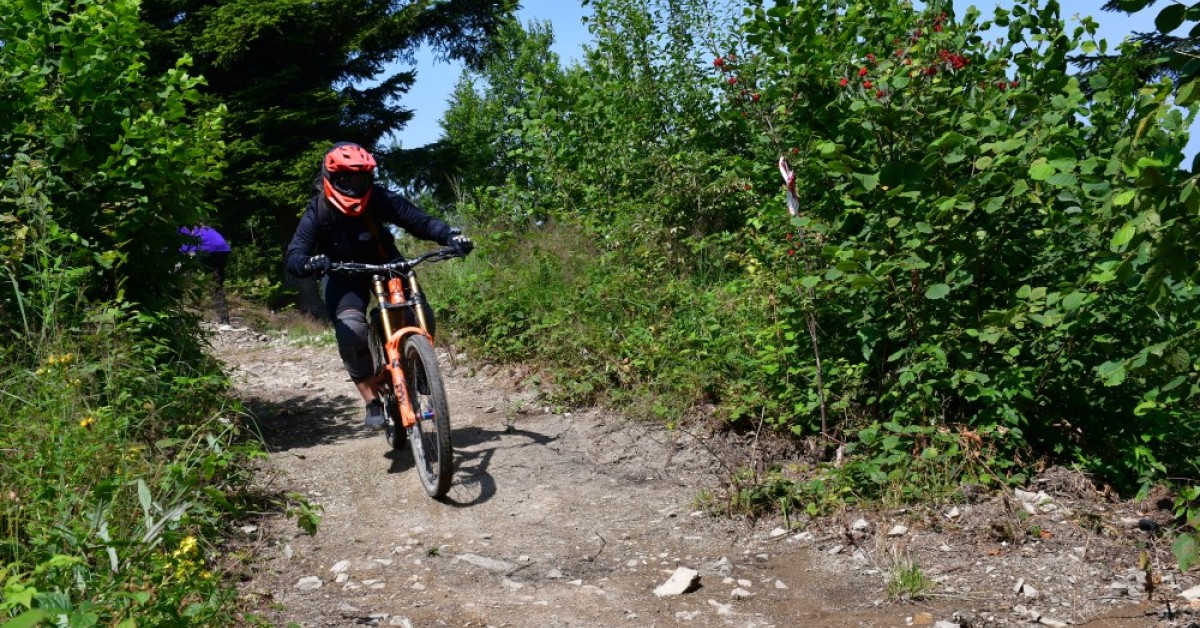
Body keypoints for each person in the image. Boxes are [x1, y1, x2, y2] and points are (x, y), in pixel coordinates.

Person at [285, 142, 473, 429]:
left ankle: (420, 367)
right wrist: (309, 263)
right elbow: (295, 254)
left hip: (387, 264)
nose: (356, 186)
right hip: (342, 274)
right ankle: (372, 399)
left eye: (362, 178)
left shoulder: (381, 198)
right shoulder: (319, 210)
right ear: (332, 178)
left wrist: (450, 235)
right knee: (353, 332)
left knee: (418, 311)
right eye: (348, 179)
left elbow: (419, 221)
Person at [179, 224, 232, 325]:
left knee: (179, 270)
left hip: (204, 248)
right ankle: (225, 321)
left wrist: (174, 269)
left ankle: (182, 307)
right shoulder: (195, 224)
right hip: (222, 248)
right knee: (216, 285)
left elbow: (185, 255)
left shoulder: (180, 229)